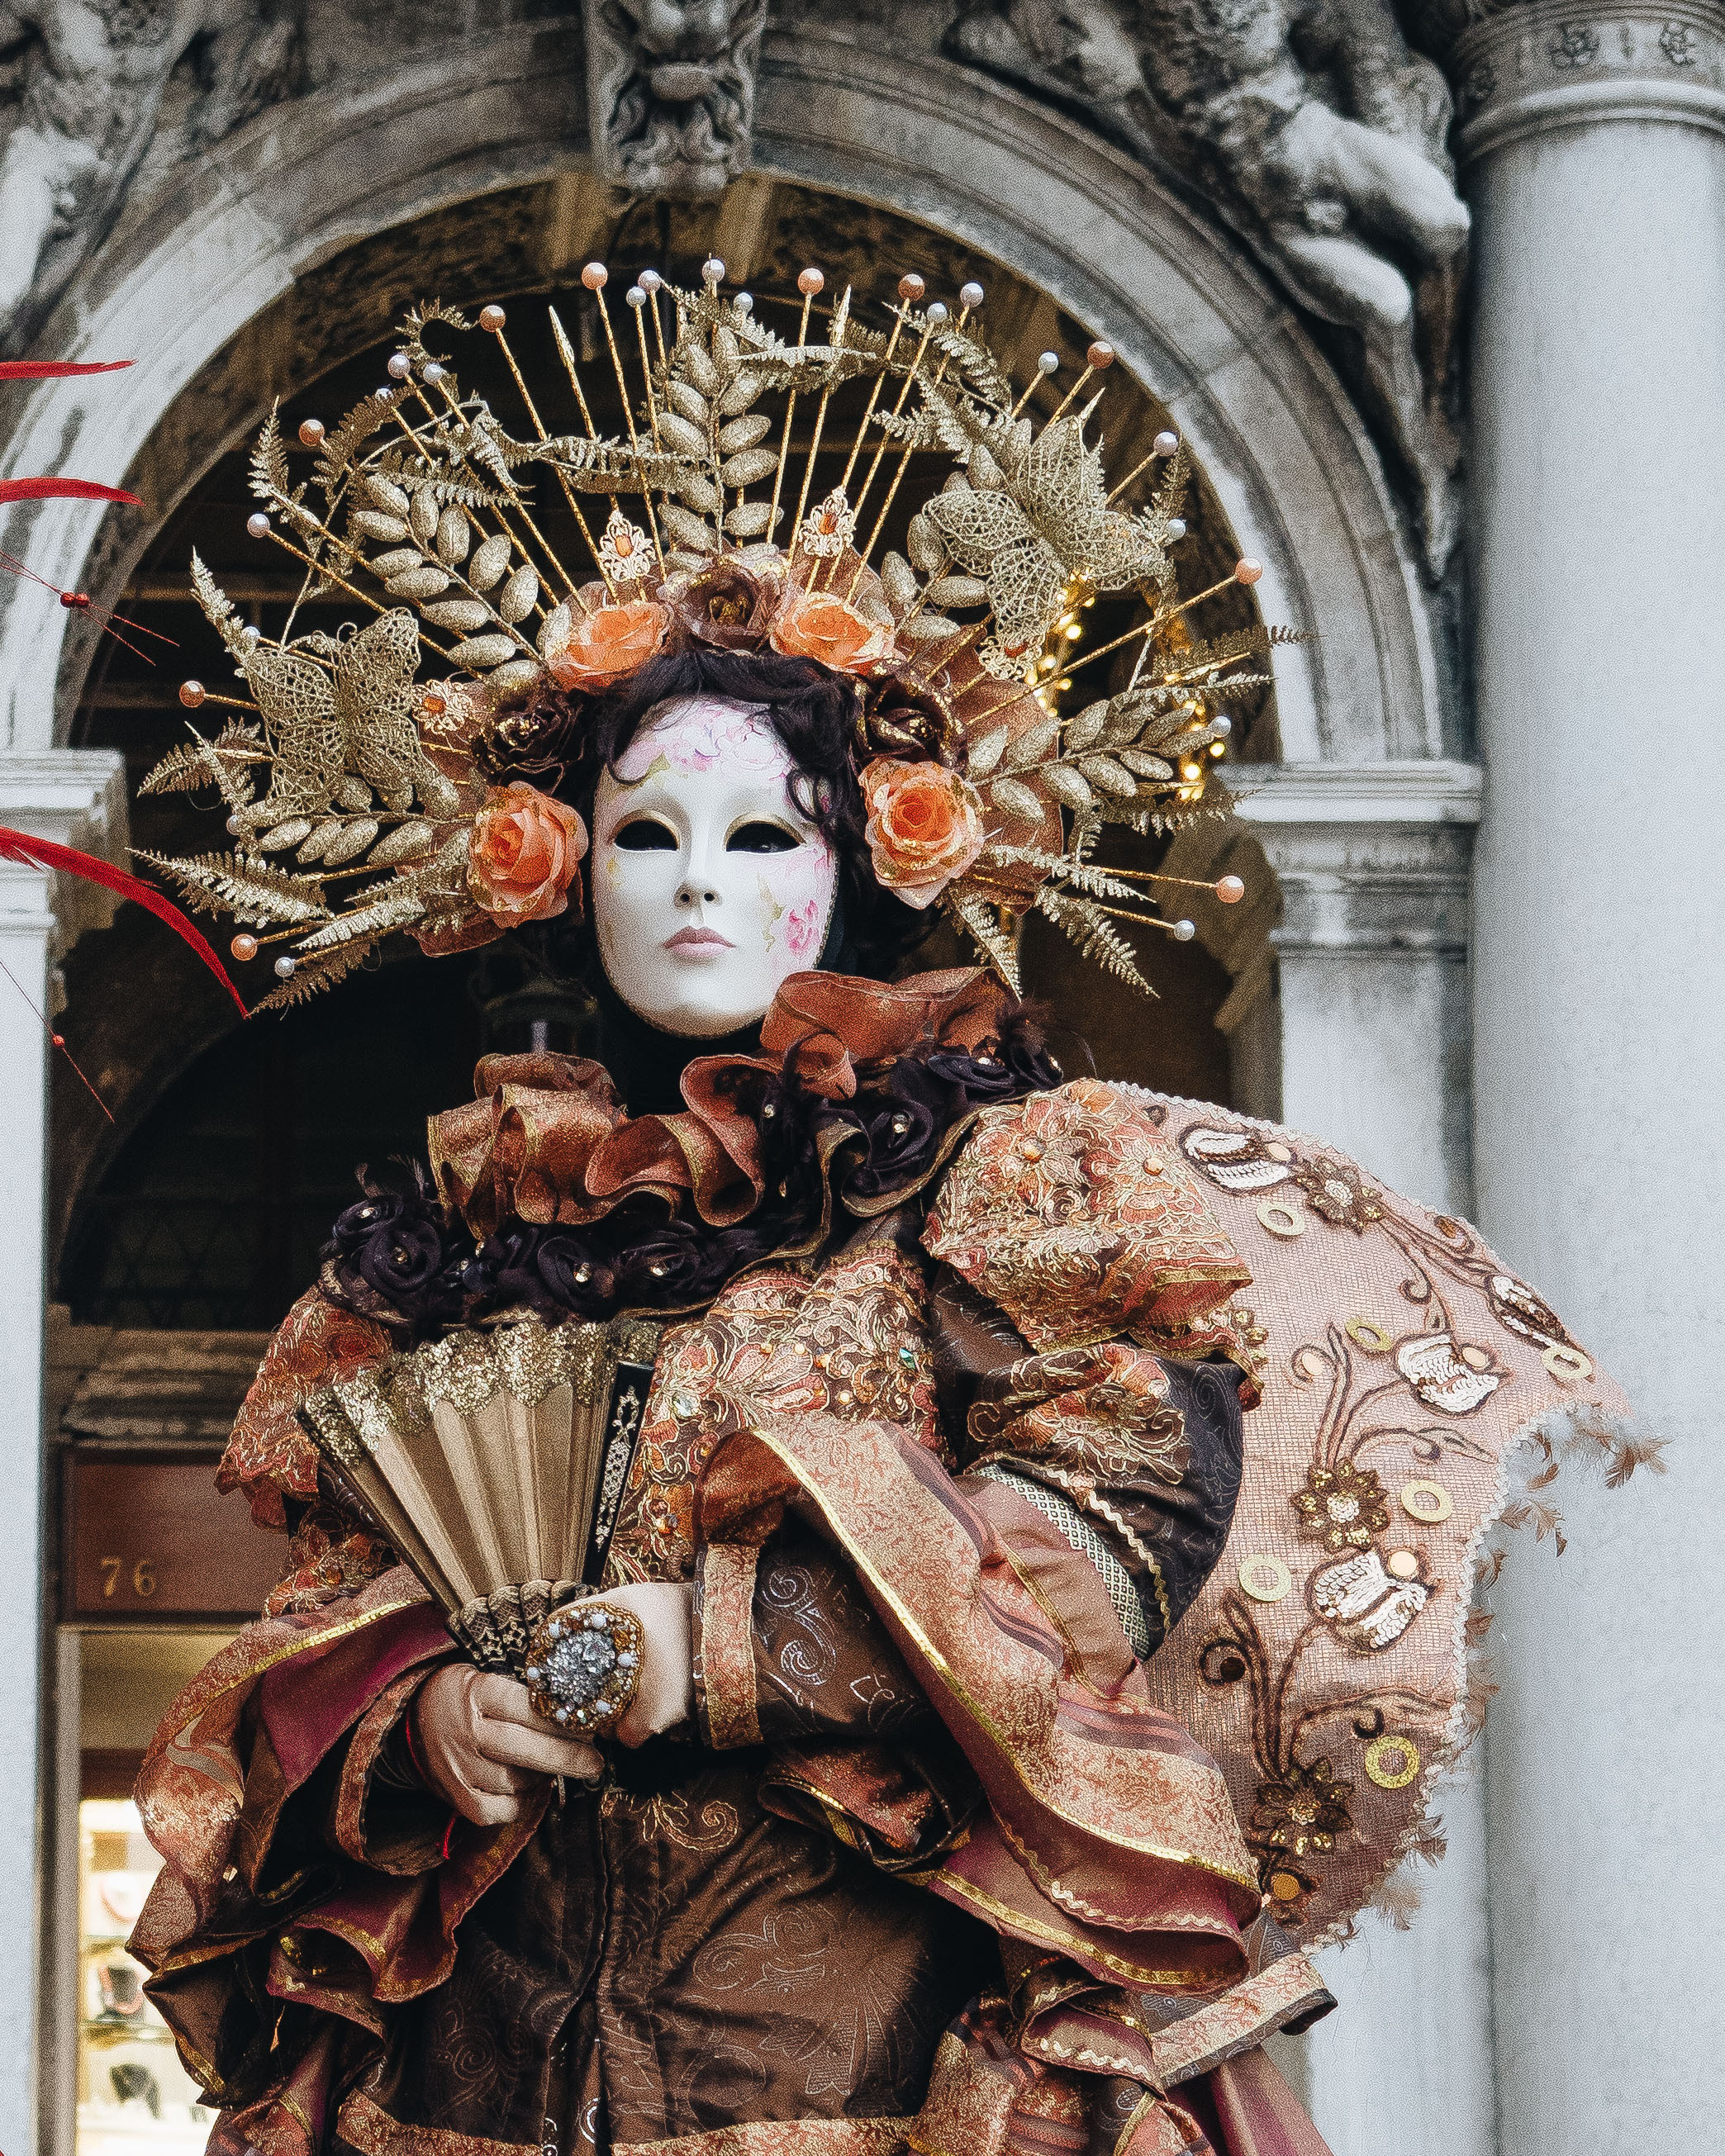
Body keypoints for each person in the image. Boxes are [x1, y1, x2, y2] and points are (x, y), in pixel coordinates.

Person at [129, 274, 1635, 2156]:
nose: (698, 885)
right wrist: (420, 1721)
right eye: (646, 835)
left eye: (764, 835)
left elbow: (1105, 1536)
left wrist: (726, 1642)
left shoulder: (995, 1189)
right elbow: (312, 1622)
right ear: (562, 867)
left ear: (856, 867)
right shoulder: (456, 1248)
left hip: (879, 2080)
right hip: (470, 2084)